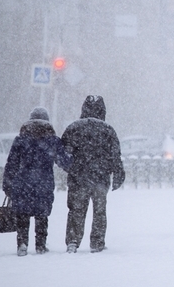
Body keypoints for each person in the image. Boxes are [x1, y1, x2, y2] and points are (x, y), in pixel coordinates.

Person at [2, 107, 72, 256]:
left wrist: (7, 184)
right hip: (44, 183)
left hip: (23, 182)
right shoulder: (53, 141)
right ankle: (40, 245)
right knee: (42, 215)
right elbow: (64, 162)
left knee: (22, 214)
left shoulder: (20, 140)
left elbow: (11, 164)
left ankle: (22, 244)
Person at [61, 95, 125, 253]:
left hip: (79, 177)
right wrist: (118, 175)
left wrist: (71, 168)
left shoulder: (74, 128)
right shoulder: (108, 130)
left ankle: (73, 240)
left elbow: (63, 153)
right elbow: (115, 156)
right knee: (99, 211)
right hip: (100, 178)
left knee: (76, 209)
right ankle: (97, 242)